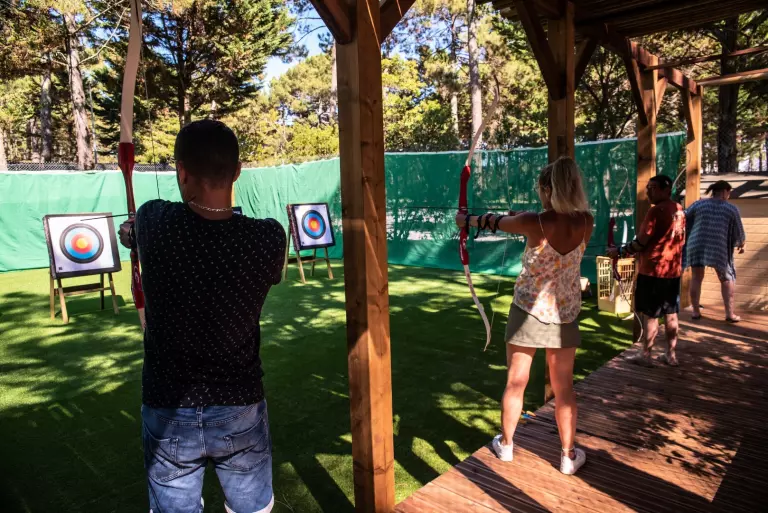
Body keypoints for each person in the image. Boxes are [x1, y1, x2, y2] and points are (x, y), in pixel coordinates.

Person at [119, 120, 285, 513]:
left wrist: (131, 234)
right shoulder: (268, 238)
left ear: (182, 172)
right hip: (239, 404)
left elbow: (132, 232)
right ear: (237, 171)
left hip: (168, 406)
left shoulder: (154, 220)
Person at [457, 156, 593, 476]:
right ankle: (568, 455)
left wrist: (466, 219)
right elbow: (531, 221)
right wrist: (519, 218)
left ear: (547, 188)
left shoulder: (534, 222)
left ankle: (506, 445)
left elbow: (492, 222)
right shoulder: (586, 221)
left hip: (528, 312)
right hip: (565, 314)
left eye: (541, 190)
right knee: (564, 388)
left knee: (516, 382)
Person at [608, 175, 685, 367]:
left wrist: (619, 251)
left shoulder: (655, 211)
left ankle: (646, 354)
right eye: (648, 188)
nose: (649, 192)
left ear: (666, 190)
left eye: (653, 188)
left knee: (651, 314)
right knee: (671, 313)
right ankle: (671, 355)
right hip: (672, 271)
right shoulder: (679, 210)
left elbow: (642, 241)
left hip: (653, 271)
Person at [684, 180, 746, 323]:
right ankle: (729, 314)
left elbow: (684, 217)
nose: (729, 195)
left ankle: (695, 312)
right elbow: (739, 231)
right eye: (729, 192)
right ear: (724, 191)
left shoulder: (698, 204)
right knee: (726, 278)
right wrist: (741, 243)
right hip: (718, 246)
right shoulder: (731, 208)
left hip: (696, 244)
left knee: (696, 277)